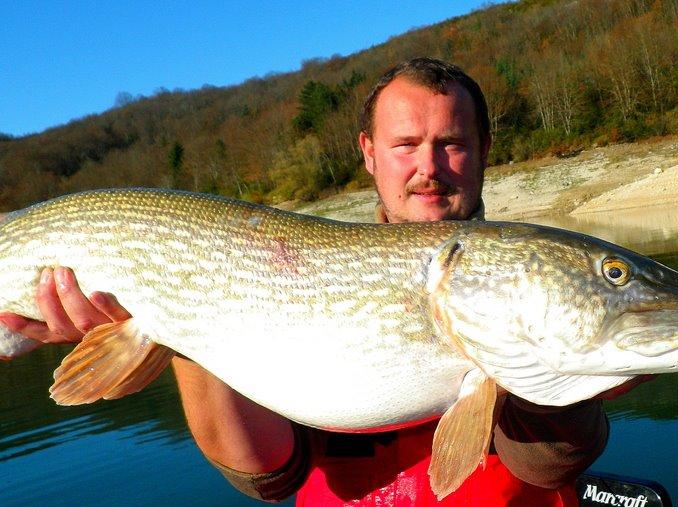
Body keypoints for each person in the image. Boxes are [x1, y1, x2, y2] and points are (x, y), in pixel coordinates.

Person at [0, 58, 623, 506]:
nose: (428, 167)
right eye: (406, 144)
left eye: (452, 143)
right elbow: (265, 474)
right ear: (369, 153)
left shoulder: (523, 272)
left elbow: (548, 469)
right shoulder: (286, 267)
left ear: (485, 148)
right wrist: (173, 312)